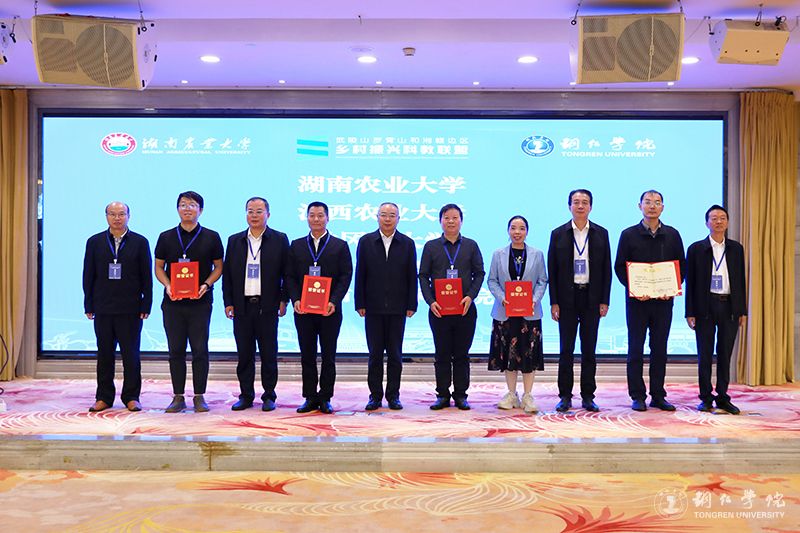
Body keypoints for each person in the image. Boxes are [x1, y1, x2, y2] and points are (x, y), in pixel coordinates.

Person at [614, 190, 685, 412]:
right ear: (640, 206)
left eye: (657, 202)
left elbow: (681, 266)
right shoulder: (628, 235)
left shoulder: (672, 234)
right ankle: (637, 395)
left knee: (659, 349)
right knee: (635, 349)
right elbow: (619, 267)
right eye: (647, 202)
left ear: (663, 207)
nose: (652, 206)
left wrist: (671, 288)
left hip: (663, 302)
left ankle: (658, 395)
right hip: (637, 302)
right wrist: (634, 288)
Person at [154, 191, 224, 413]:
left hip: (200, 303)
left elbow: (219, 267)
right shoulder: (166, 237)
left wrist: (206, 285)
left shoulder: (212, 237)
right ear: (177, 209)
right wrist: (167, 285)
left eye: (192, 205)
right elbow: (159, 267)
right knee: (175, 350)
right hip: (173, 303)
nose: (187, 208)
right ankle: (178, 396)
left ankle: (199, 396)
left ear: (200, 210)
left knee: (199, 349)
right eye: (183, 204)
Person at [82, 201, 152, 412]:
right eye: (112, 214)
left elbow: (146, 276)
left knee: (131, 355)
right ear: (106, 216)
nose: (117, 218)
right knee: (104, 354)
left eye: (121, 214)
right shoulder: (94, 242)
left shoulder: (140, 242)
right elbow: (88, 274)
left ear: (129, 216)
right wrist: (88, 303)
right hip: (103, 307)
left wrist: (146, 303)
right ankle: (104, 397)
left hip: (131, 308)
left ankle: (131, 396)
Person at [222, 197, 290, 412]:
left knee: (269, 353)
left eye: (259, 211)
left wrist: (284, 299)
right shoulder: (235, 240)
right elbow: (227, 275)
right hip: (242, 306)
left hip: (267, 305)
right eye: (250, 211)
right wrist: (228, 302)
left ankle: (269, 395)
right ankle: (246, 395)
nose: (254, 215)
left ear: (268, 214)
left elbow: (287, 273)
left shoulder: (279, 239)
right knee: (244, 354)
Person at [547, 189, 612, 413]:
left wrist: (604, 300)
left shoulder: (601, 233)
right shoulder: (558, 234)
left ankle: (588, 396)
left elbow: (606, 270)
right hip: (566, 298)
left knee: (589, 350)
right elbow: (552, 270)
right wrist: (554, 302)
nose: (580, 206)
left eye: (585, 202)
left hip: (591, 298)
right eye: (576, 202)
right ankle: (565, 396)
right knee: (566, 349)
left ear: (591, 207)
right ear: (569, 206)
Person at [286, 201, 352, 414]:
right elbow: (289, 276)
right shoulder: (296, 245)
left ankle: (325, 397)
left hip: (329, 311)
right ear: (306, 217)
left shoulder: (339, 245)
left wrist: (334, 301)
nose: (316, 219)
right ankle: (309, 397)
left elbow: (345, 276)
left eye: (320, 215)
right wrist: (295, 299)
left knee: (328, 355)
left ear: (328, 218)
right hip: (303, 310)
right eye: (312, 215)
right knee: (307, 355)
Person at [419, 203, 485, 411]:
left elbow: (479, 273)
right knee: (442, 354)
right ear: (440, 221)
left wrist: (470, 296)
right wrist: (431, 301)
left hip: (465, 310)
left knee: (462, 354)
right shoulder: (431, 247)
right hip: (439, 310)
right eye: (446, 218)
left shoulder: (471, 246)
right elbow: (423, 276)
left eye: (455, 218)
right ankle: (442, 395)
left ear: (461, 221)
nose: (451, 221)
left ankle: (461, 395)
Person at [354, 202, 418, 411]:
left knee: (395, 355)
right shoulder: (366, 242)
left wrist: (412, 303)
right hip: (372, 307)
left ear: (398, 218)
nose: (387, 219)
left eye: (392, 215)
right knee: (374, 355)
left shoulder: (407, 243)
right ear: (377, 217)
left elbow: (412, 275)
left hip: (398, 308)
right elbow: (360, 273)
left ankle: (393, 395)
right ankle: (375, 396)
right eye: (383, 215)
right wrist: (360, 302)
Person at [685, 204, 747, 415]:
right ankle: (705, 398)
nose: (718, 221)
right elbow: (691, 283)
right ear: (706, 223)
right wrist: (690, 312)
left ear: (727, 222)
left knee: (725, 353)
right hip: (705, 305)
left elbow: (740, 281)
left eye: (722, 218)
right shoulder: (696, 249)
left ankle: (722, 397)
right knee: (705, 354)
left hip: (729, 305)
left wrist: (742, 310)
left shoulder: (736, 248)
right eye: (714, 218)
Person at [487, 215, 547, 414]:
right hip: (505, 312)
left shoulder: (537, 254)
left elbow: (542, 281)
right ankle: (511, 394)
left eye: (521, 228)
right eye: (513, 228)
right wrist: (502, 297)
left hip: (529, 312)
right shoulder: (498, 254)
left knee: (529, 355)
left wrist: (534, 300)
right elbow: (492, 280)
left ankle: (528, 395)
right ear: (508, 231)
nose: (517, 232)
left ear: (527, 231)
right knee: (508, 355)